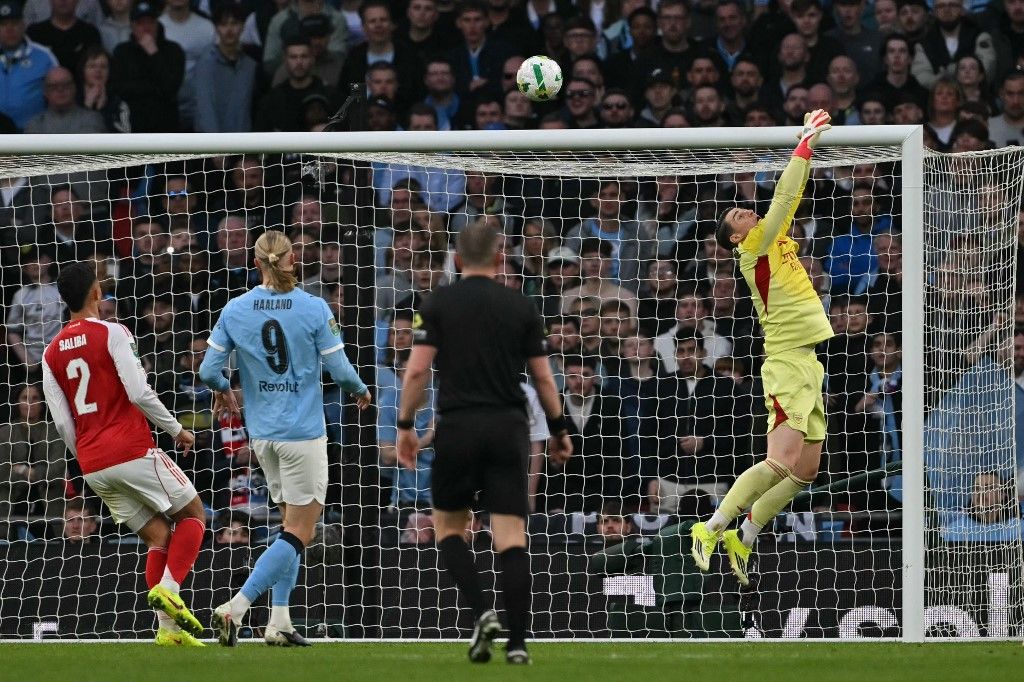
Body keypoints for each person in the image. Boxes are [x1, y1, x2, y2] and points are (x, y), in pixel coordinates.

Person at [395, 222, 572, 664]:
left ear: (455, 260)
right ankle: (517, 645)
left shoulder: (436, 303)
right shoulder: (521, 305)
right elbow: (544, 376)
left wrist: (404, 425)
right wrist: (559, 427)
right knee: (511, 536)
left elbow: (416, 372)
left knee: (449, 528)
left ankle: (481, 611)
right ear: (499, 259)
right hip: (508, 428)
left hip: (458, 426)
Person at [198, 230, 372, 647]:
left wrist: (224, 387)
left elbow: (206, 371)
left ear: (256, 263)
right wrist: (362, 391)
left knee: (289, 526)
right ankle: (237, 606)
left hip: (263, 437)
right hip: (304, 433)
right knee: (301, 532)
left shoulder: (235, 309)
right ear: (293, 258)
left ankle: (279, 620)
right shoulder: (313, 307)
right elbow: (342, 371)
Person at [690, 109, 834, 587]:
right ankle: (710, 528)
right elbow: (786, 194)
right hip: (787, 363)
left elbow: (785, 203)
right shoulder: (755, 248)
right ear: (735, 237)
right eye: (738, 215)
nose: (747, 211)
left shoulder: (776, 242)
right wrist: (805, 143)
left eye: (745, 208)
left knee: (806, 471)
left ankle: (745, 534)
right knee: (779, 462)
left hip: (808, 362)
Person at [40, 261, 205, 647]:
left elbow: (63, 423)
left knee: (158, 537)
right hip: (131, 448)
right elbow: (138, 392)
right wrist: (176, 429)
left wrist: (86, 459)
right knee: (194, 514)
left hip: (93, 464)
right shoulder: (113, 332)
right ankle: (169, 587)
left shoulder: (50, 353)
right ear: (97, 293)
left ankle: (167, 632)